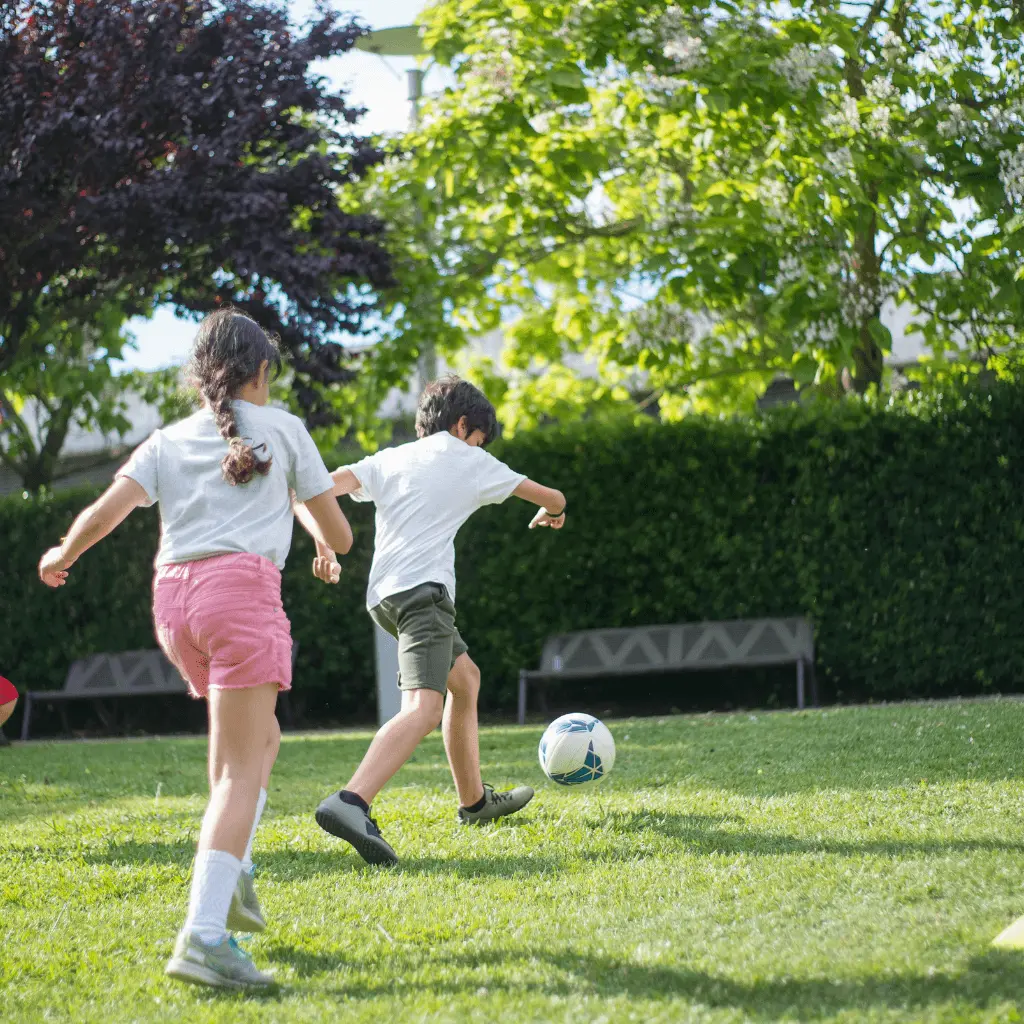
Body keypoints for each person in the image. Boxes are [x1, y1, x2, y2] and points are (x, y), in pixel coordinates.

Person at [37, 309, 352, 990]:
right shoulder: (286, 429)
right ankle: (205, 936)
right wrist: (327, 538)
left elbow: (108, 511)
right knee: (246, 767)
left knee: (254, 742)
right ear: (261, 372)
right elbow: (342, 534)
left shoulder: (170, 437)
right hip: (240, 598)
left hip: (175, 606)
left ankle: (231, 870)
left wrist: (63, 552)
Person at [307, 376, 566, 865]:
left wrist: (324, 543)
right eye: (479, 439)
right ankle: (351, 801)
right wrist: (553, 513)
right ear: (464, 424)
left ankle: (474, 803)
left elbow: (321, 490)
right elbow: (551, 496)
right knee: (424, 709)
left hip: (384, 597)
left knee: (465, 679)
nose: (479, 448)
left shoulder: (390, 458)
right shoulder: (469, 458)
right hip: (424, 596)